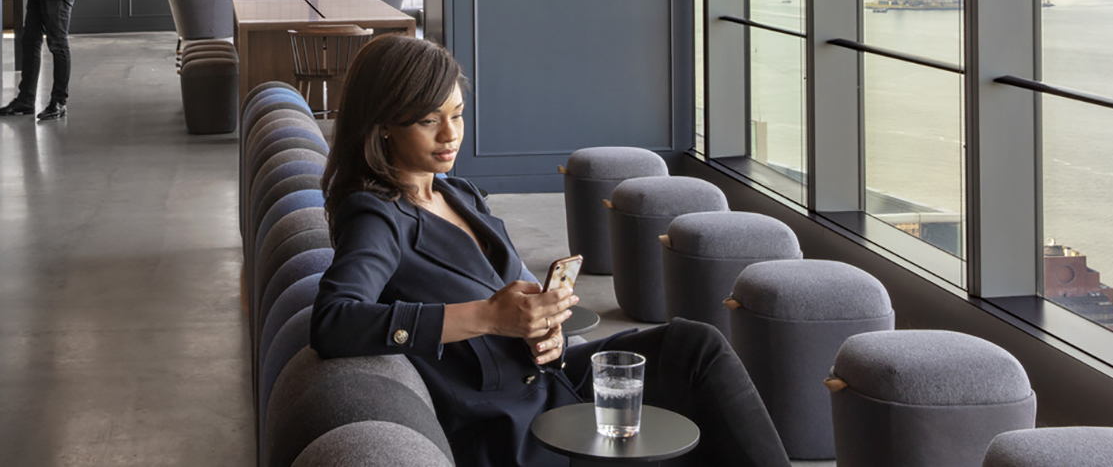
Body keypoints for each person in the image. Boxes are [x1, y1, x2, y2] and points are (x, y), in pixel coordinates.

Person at [310, 35, 791, 467]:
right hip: (510, 418)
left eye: (456, 114)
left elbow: (508, 298)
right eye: (427, 120)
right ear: (383, 126)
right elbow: (333, 322)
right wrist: (489, 317)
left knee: (695, 346)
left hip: (546, 376)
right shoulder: (375, 216)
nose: (450, 134)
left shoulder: (458, 194)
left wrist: (546, 329)